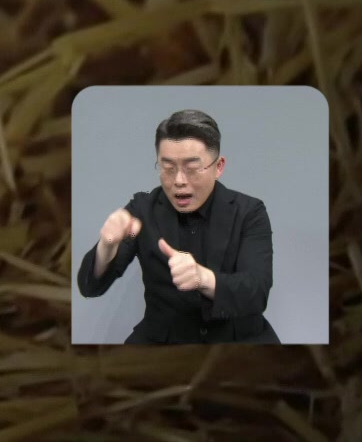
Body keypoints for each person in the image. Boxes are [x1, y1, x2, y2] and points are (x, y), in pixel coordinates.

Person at [76, 108, 279, 343]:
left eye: (192, 169)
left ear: (219, 167)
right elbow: (90, 287)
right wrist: (107, 247)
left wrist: (203, 278)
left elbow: (256, 292)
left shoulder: (249, 212)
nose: (179, 181)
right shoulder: (143, 209)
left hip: (237, 340)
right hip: (164, 341)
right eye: (168, 168)